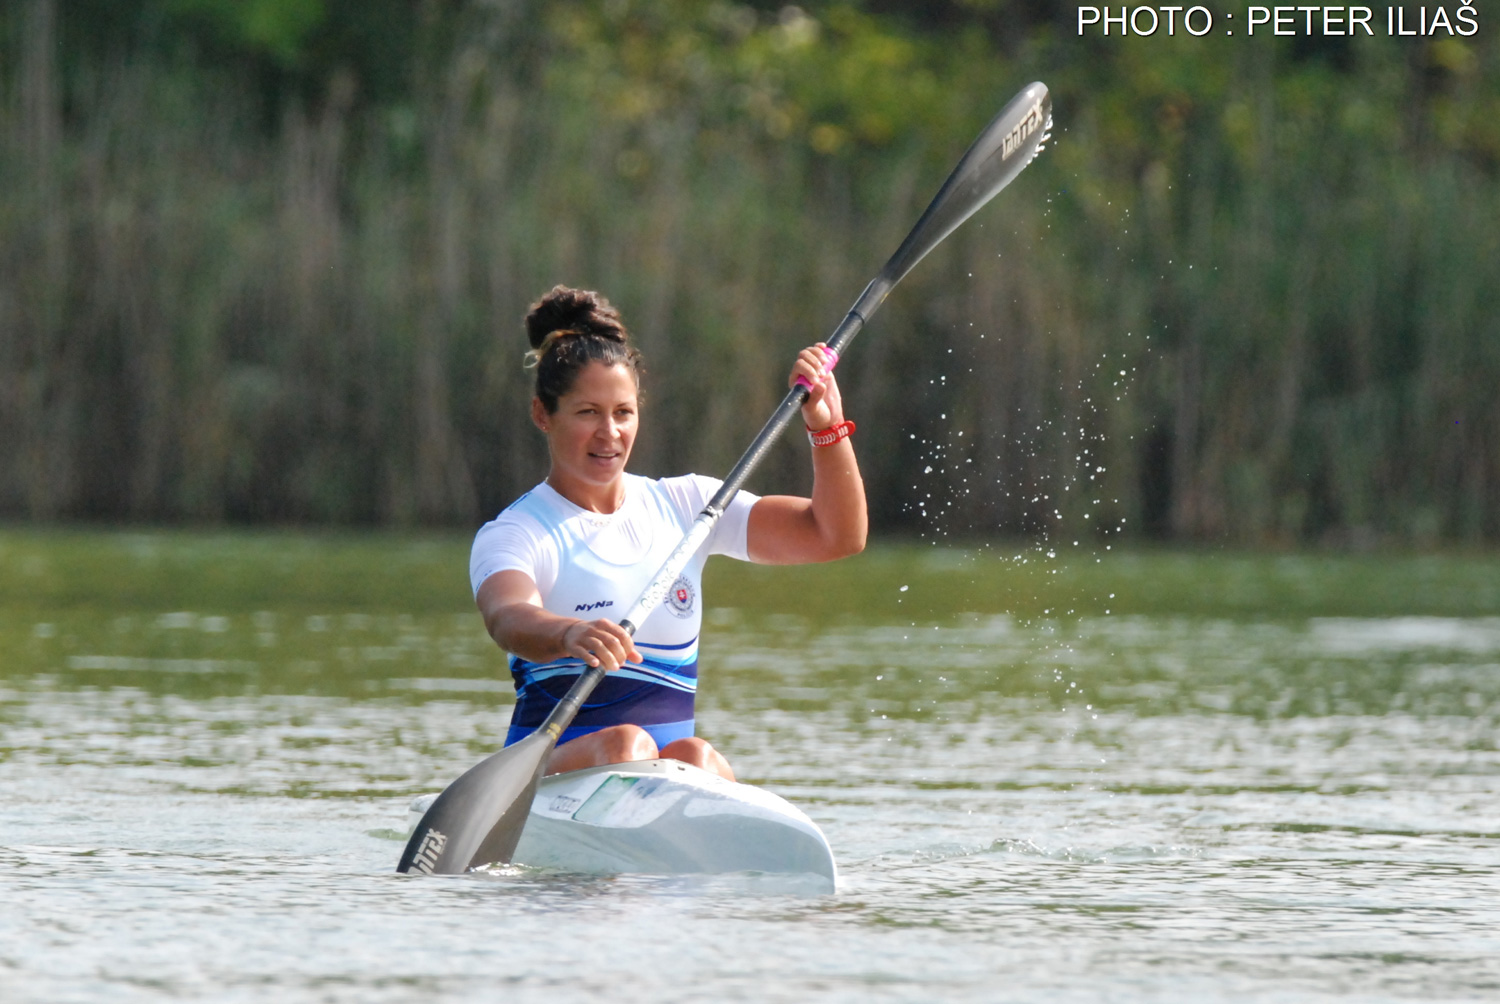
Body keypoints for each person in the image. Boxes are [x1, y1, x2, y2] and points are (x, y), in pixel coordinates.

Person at [470, 285, 866, 781]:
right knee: (626, 744)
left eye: (623, 413)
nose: (608, 433)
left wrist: (825, 429)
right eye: (587, 412)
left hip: (663, 777)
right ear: (542, 415)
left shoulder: (689, 507)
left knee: (696, 756)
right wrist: (568, 632)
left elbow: (834, 535)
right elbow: (508, 618)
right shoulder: (517, 531)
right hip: (551, 778)